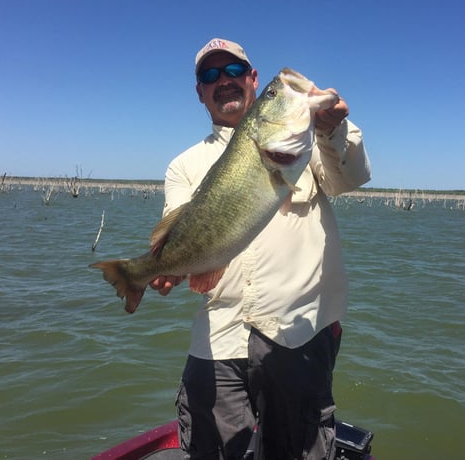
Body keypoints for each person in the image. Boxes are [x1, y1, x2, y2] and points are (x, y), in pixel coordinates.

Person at [150, 38, 371, 459]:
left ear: (251, 79)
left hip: (298, 330)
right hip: (217, 336)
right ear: (199, 92)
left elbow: (352, 176)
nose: (224, 82)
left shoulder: (305, 140)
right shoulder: (183, 165)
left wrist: (333, 130)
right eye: (210, 76)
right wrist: (164, 267)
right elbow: (182, 239)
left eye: (233, 71)